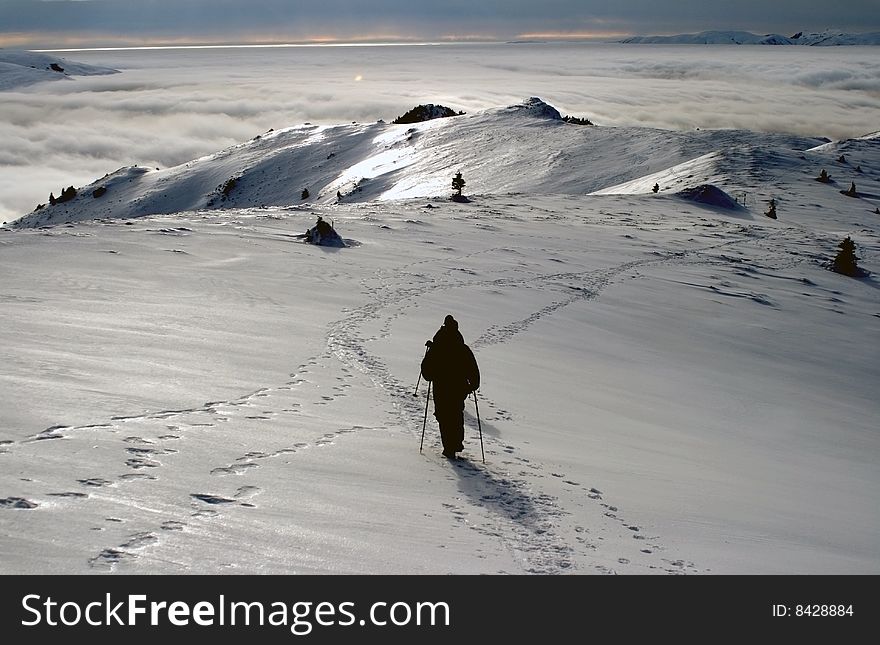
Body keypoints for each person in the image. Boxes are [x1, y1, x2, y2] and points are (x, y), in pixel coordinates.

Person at [420, 315, 480, 458]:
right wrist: (473, 384)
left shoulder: (437, 347)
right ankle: (456, 443)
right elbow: (472, 368)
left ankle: (449, 447)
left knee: (443, 415)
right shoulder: (462, 348)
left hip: (441, 387)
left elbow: (426, 369)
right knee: (456, 414)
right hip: (458, 388)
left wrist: (430, 375)